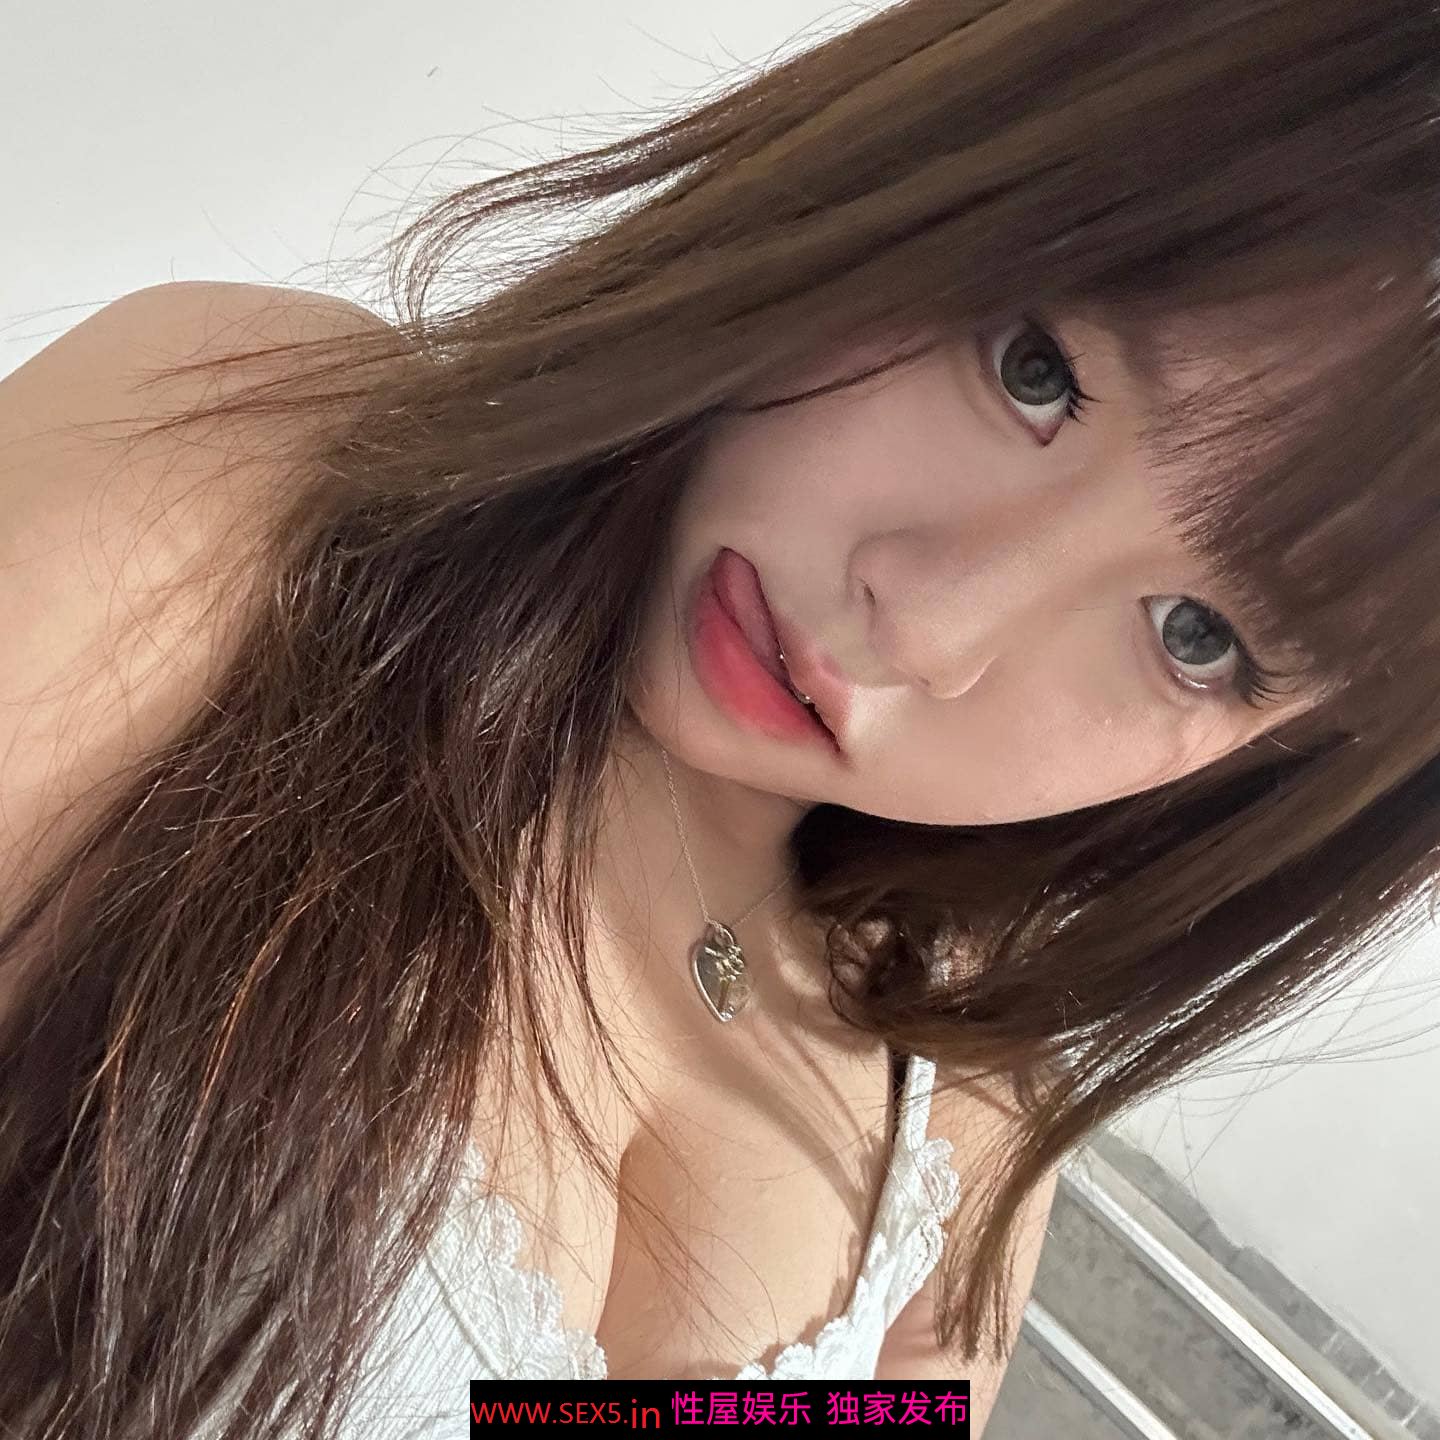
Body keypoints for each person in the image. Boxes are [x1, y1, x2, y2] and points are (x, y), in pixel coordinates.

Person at [3, 0, 1440, 1434]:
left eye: (1199, 639)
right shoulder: (240, 507)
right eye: (1035, 369)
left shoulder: (963, 1120)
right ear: (927, 167)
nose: (926, 629)